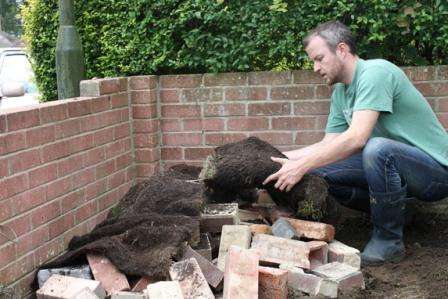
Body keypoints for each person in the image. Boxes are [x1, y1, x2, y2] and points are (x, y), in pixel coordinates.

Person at [263, 20, 448, 266]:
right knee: (319, 173)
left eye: (319, 58)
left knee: (377, 149)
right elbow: (327, 145)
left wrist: (301, 165)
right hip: (396, 170)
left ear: (341, 50)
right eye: (312, 61)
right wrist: (275, 159)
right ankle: (400, 213)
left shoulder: (376, 72)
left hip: (435, 173)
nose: (315, 67)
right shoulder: (341, 92)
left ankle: (388, 241)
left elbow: (357, 138)